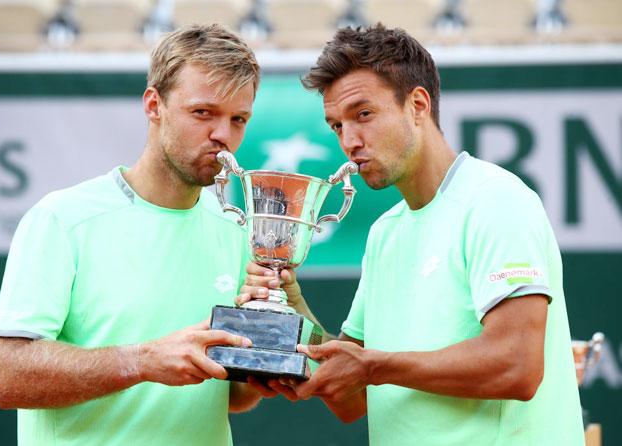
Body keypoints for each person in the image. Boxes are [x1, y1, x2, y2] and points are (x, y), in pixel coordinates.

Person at [238, 24, 584, 445]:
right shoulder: (385, 232)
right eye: (336, 126)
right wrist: (291, 312)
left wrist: (374, 366)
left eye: (363, 114)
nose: (349, 140)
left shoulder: (496, 199)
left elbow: (517, 366)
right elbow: (354, 397)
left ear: (417, 105)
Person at [0, 24, 263, 445]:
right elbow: (7, 376)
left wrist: (260, 374)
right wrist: (142, 361)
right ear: (154, 105)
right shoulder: (62, 219)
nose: (223, 135)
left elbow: (231, 396)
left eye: (238, 119)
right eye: (203, 112)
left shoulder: (237, 228)